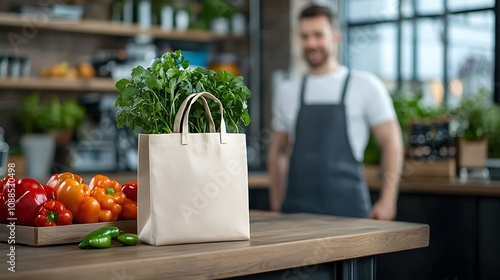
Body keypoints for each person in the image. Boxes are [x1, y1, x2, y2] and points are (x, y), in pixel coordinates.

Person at [267, 4, 403, 220]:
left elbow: (391, 141)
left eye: (318, 35)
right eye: (305, 36)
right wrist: (276, 202)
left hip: (350, 213)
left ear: (335, 36)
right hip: (295, 213)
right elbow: (278, 151)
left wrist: (388, 201)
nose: (311, 43)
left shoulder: (366, 85)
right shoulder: (287, 90)